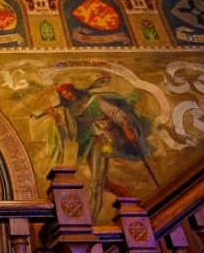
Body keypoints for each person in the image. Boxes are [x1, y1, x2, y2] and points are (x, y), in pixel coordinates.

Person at [31, 81, 154, 220]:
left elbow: (116, 113)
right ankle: (133, 203)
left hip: (100, 140)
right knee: (105, 184)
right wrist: (57, 119)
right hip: (87, 146)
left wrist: (127, 128)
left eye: (68, 92)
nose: (68, 95)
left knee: (96, 183)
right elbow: (68, 137)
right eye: (64, 95)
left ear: (74, 90)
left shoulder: (95, 101)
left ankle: (91, 221)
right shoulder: (68, 111)